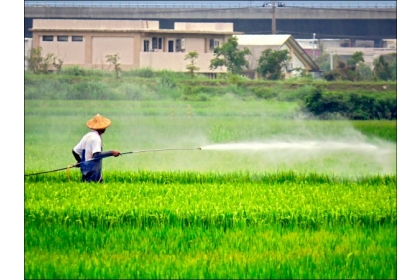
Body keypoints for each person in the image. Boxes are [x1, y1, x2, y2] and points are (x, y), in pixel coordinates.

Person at [72, 114, 121, 183]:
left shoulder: (87, 136)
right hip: (93, 169)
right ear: (101, 128)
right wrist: (112, 152)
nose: (105, 128)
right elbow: (96, 155)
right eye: (104, 127)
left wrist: (80, 162)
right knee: (95, 187)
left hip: (84, 168)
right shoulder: (96, 138)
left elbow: (74, 151)